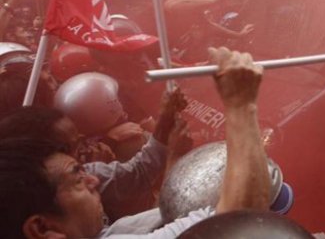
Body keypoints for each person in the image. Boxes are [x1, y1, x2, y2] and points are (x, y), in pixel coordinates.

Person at [0, 47, 271, 238]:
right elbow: (240, 221)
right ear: (41, 228)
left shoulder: (106, 231)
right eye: (76, 178)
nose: (93, 178)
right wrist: (241, 103)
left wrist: (165, 128)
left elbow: (146, 188)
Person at [0, 88, 190, 221]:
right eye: (70, 147)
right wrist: (173, 157)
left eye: (81, 138)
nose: (93, 181)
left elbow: (138, 172)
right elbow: (165, 224)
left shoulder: (86, 172)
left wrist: (165, 120)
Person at [164, 0, 254, 62]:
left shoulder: (194, 8)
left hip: (182, 55)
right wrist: (213, 0)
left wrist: (239, 35)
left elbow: (209, 27)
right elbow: (176, 5)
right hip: (163, 53)